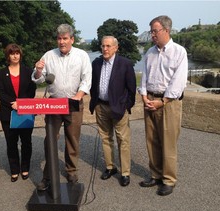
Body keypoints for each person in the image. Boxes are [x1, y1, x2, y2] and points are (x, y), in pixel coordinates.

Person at [32, 24, 92, 191]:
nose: (62, 41)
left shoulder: (82, 56)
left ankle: (71, 171)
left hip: (74, 102)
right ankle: (48, 176)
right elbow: (37, 79)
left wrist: (79, 96)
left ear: (72, 39)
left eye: (65, 38)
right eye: (59, 38)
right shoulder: (49, 55)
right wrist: (38, 71)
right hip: (54, 103)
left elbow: (87, 79)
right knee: (50, 140)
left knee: (72, 139)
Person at [138, 15, 188, 196]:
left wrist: (163, 101)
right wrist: (143, 95)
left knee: (168, 143)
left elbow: (178, 81)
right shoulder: (150, 53)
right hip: (150, 99)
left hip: (169, 103)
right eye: (151, 31)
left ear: (166, 31)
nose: (152, 35)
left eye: (154, 31)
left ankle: (168, 179)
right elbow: (144, 76)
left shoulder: (179, 52)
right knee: (152, 141)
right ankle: (155, 174)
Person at [89, 36, 136, 187]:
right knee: (105, 138)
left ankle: (125, 172)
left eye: (108, 46)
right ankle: (110, 167)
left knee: (123, 140)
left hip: (118, 107)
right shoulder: (96, 63)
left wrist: (125, 105)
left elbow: (131, 89)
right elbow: (92, 84)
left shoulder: (125, 64)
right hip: (101, 106)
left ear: (116, 47)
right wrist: (95, 102)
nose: (105, 49)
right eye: (103, 46)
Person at [0, 44, 36, 182]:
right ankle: (14, 170)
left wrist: (22, 104)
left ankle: (25, 168)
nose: (15, 56)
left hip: (26, 112)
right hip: (8, 113)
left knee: (26, 142)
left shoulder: (28, 71)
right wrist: (14, 103)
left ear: (20, 54)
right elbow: (0, 92)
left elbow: (32, 90)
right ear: (8, 56)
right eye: (12, 53)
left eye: (17, 53)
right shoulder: (1, 73)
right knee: (11, 143)